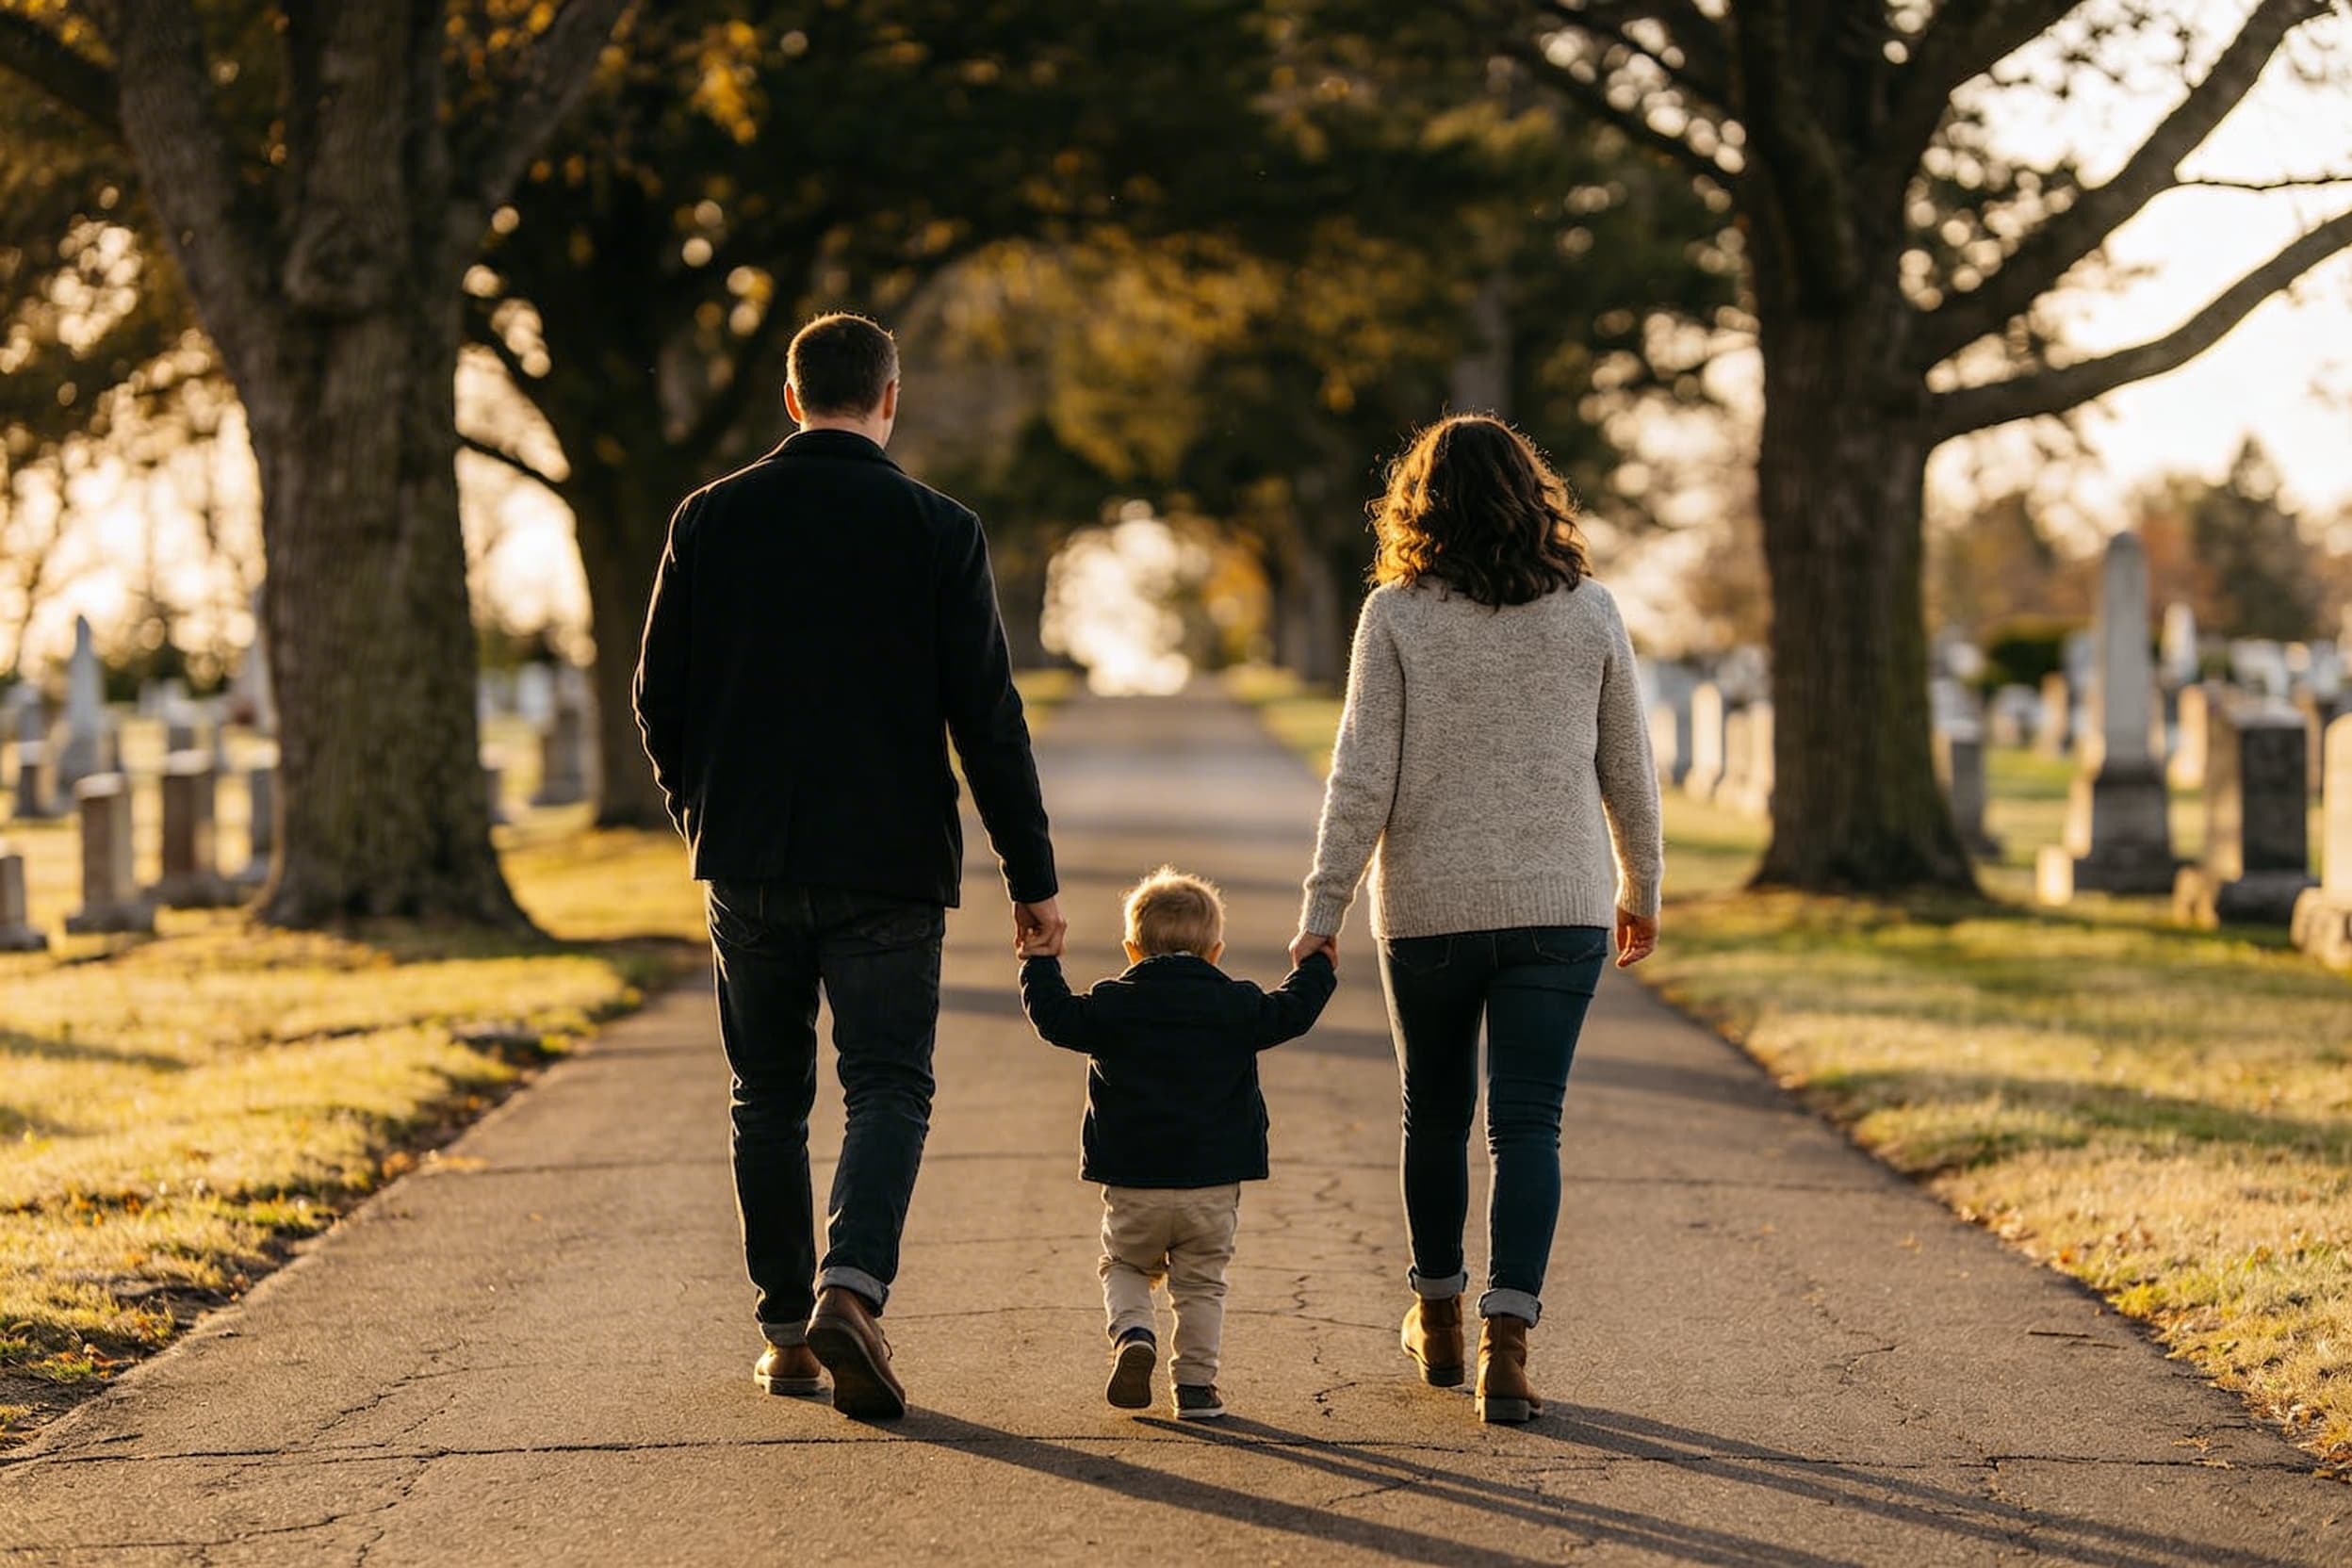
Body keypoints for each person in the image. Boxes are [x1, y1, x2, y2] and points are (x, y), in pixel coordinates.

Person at [633, 311, 1065, 1420]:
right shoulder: (938, 527)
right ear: (889, 397)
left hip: (753, 861)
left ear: (790, 398)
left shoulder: (709, 519)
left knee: (766, 1093)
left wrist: (703, 814)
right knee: (887, 1082)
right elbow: (987, 715)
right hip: (888, 860)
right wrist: (1033, 874)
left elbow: (657, 697)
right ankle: (853, 1285)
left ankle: (787, 1334)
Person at [1291, 414, 1662, 1425]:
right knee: (1528, 1120)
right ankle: (1510, 1340)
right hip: (1561, 904)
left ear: (1420, 507)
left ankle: (1439, 1313)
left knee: (1436, 1113)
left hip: (1430, 909)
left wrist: (1323, 905)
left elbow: (1362, 773)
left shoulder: (1395, 613)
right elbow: (1626, 762)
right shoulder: (1591, 610)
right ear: (1533, 496)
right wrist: (1643, 886)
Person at [1019, 867, 1335, 1420]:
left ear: (1132, 949)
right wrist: (1316, 967)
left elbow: (1053, 1016)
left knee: (1123, 1264)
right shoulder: (1236, 1005)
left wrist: (1040, 960)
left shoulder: (1112, 1005)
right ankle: (1194, 1387)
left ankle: (1135, 1333)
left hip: (1134, 1181)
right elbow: (1293, 1010)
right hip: (1212, 1186)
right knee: (1201, 1284)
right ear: (1215, 951)